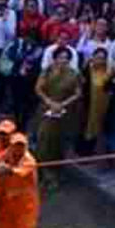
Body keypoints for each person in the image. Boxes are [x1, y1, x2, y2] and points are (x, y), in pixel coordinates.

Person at [35, 46, 82, 189]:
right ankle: (42, 173)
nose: (63, 60)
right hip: (46, 110)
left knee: (58, 144)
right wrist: (49, 102)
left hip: (64, 113)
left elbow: (78, 93)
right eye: (61, 57)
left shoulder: (74, 74)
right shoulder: (47, 71)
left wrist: (63, 104)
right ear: (55, 58)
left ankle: (55, 175)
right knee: (43, 141)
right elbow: (38, 88)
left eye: (66, 58)